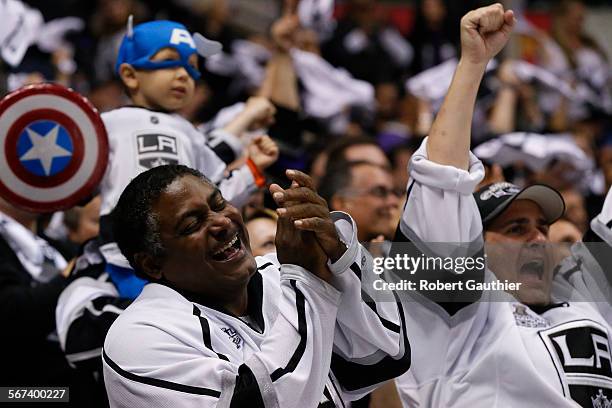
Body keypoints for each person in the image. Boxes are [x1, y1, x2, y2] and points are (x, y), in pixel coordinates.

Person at [387, 4, 612, 406]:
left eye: (541, 227)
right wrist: (473, 64)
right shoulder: (465, 316)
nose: (538, 239)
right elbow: (441, 179)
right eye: (515, 229)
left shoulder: (583, 297)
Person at [102, 164, 410, 407]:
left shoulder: (277, 275)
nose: (222, 222)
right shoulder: (139, 336)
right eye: (192, 225)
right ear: (152, 264)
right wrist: (305, 280)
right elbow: (267, 401)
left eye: (219, 204)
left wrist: (340, 256)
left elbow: (383, 357)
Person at [319, 161, 400, 242]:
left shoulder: (384, 247)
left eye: (395, 192)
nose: (394, 201)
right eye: (380, 192)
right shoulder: (317, 250)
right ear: (342, 203)